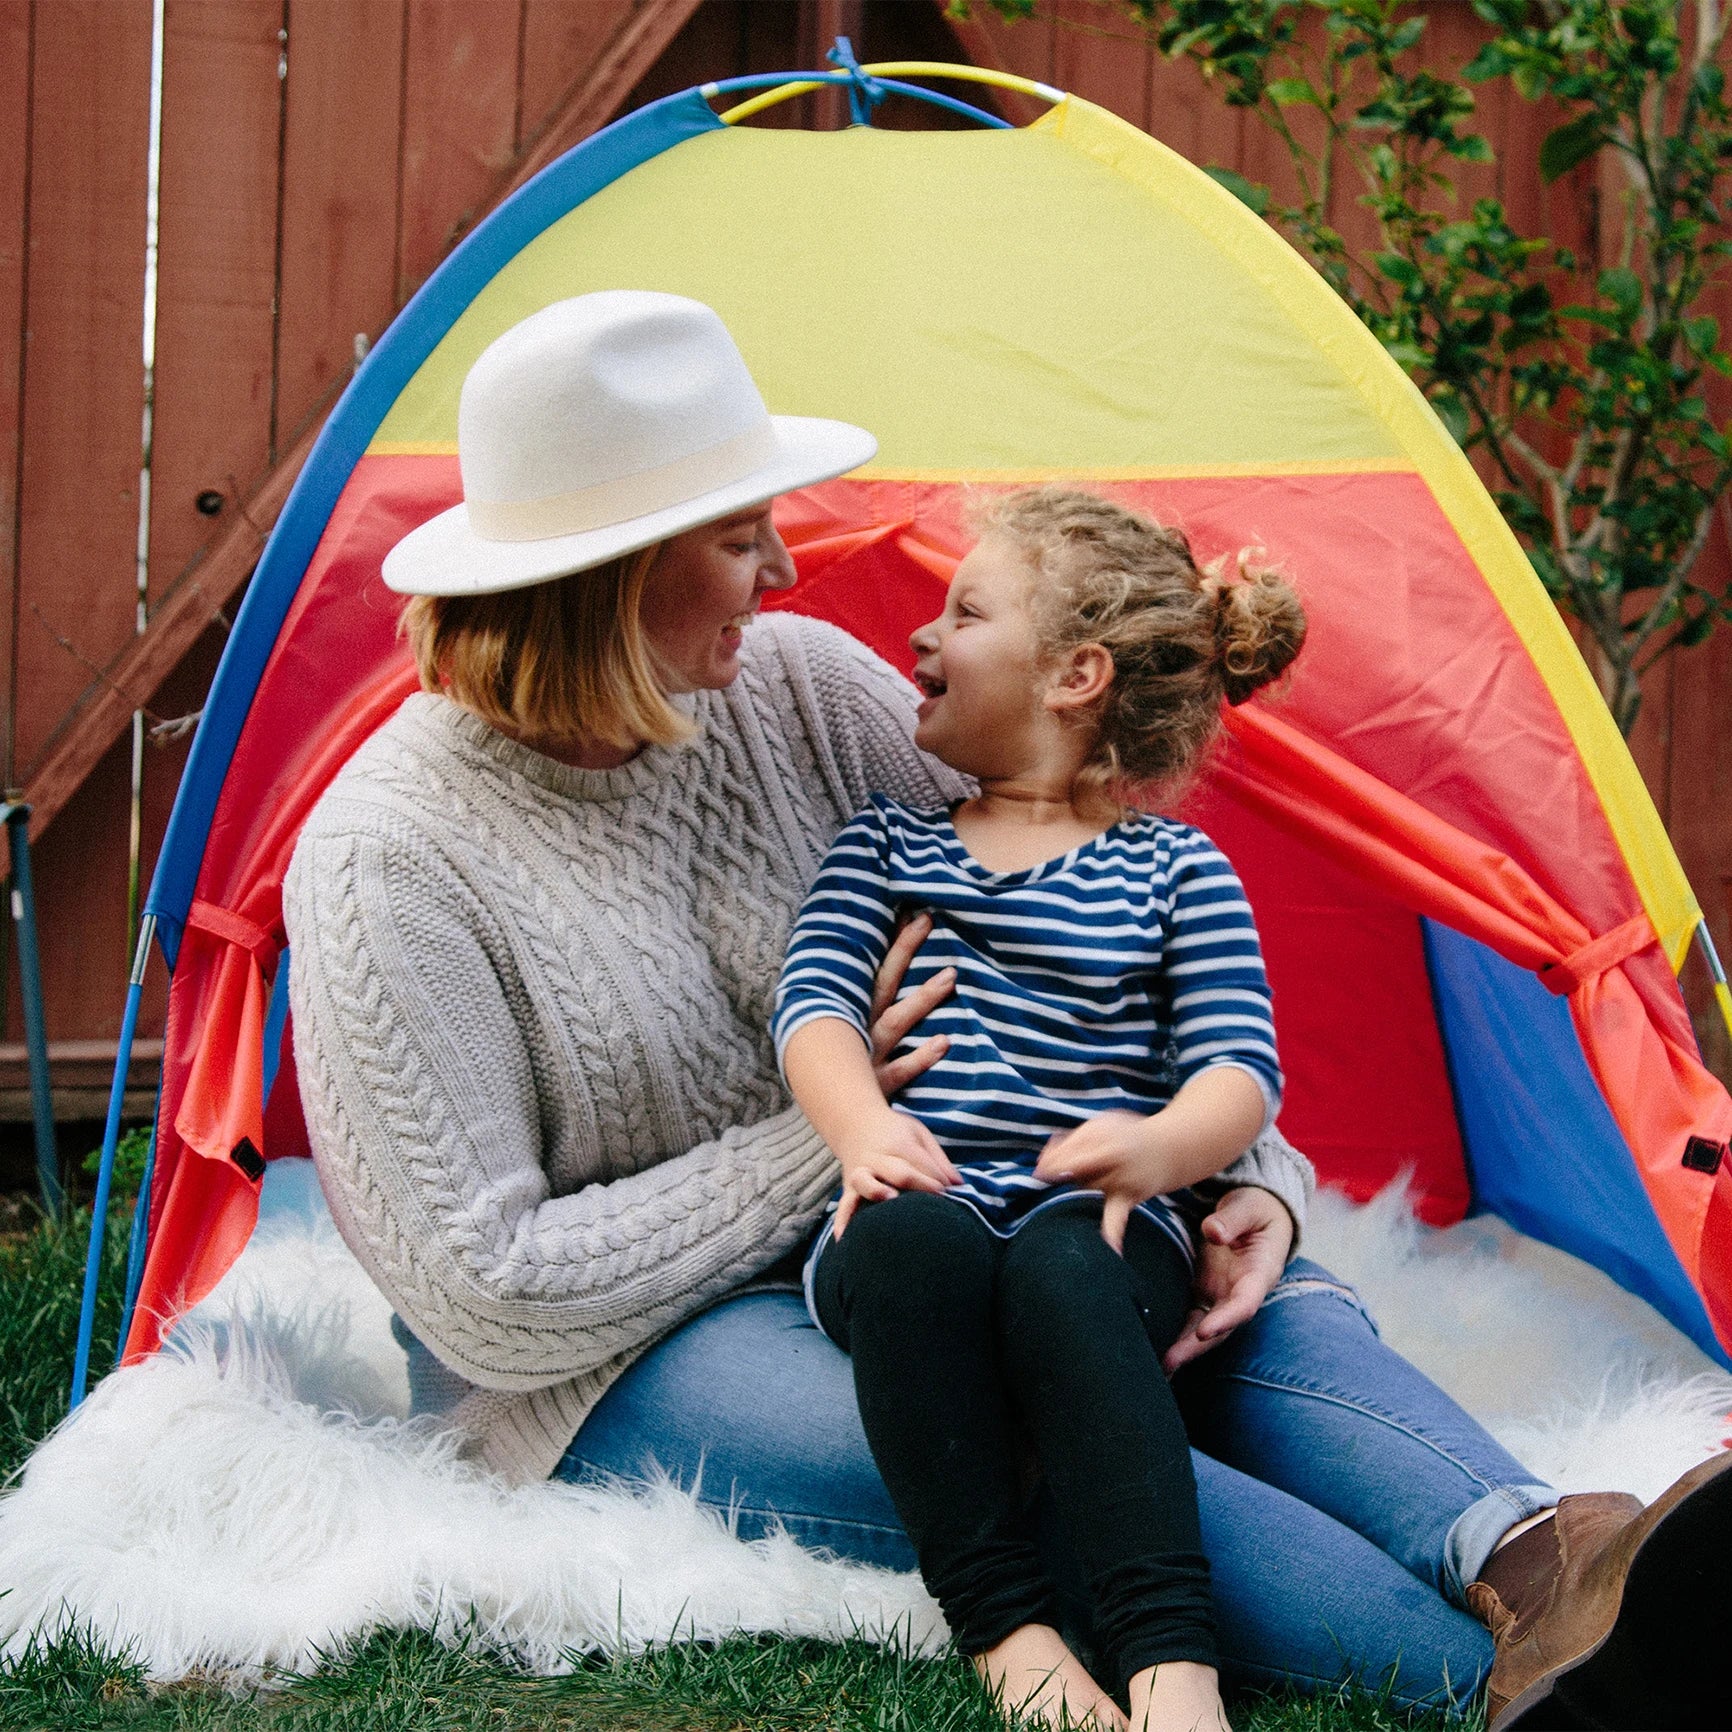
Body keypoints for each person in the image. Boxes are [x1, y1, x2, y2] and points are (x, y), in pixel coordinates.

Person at [282, 289, 1732, 1732]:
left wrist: (1241, 1182)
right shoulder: (387, 861)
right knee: (1038, 1440)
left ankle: (1558, 1556)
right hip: (622, 1352)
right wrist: (823, 1144)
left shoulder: (800, 694)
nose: (782, 567)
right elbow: (487, 1288)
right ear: (606, 572)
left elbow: (1068, 947)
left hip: (960, 1212)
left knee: (1203, 1302)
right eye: (738, 540)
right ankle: (1523, 1687)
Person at [774, 488, 1304, 1732]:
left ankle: (1172, 1668)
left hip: (1099, 1230)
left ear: (1075, 673)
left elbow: (1239, 1069)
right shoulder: (887, 841)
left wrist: (1161, 1148)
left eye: (964, 610)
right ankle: (1009, 1634)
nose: (920, 636)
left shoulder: (1177, 869)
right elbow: (815, 1012)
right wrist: (860, 1132)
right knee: (911, 1236)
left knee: (1069, 1263)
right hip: (919, 1213)